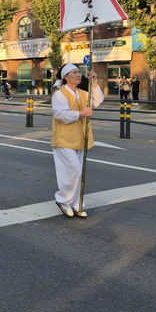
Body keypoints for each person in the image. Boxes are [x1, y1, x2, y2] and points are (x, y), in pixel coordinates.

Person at [51, 63, 104, 218]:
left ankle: (76, 203)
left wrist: (94, 83)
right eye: (74, 72)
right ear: (66, 77)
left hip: (81, 137)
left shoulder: (82, 92)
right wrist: (81, 113)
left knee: (78, 172)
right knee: (74, 169)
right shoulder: (59, 94)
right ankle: (63, 199)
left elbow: (97, 101)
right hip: (64, 138)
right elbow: (60, 114)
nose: (79, 74)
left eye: (79, 72)